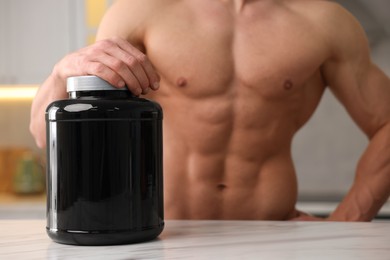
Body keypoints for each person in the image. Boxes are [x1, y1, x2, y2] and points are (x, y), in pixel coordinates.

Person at [30, 0, 390, 221]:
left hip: (273, 235)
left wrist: (348, 219)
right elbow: (46, 133)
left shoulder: (326, 22)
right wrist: (63, 71)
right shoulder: (141, 11)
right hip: (169, 235)